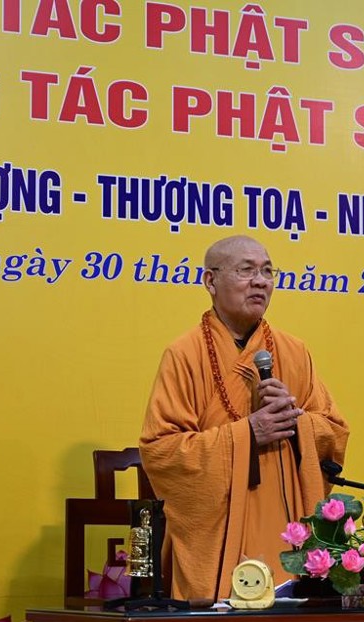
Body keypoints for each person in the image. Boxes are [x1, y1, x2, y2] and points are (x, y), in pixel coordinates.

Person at [138, 235, 350, 601]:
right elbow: (161, 450)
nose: (260, 282)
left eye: (268, 271)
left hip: (284, 522)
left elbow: (334, 431)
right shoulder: (184, 354)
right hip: (217, 527)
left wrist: (297, 421)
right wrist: (247, 433)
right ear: (210, 281)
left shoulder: (294, 351)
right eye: (246, 270)